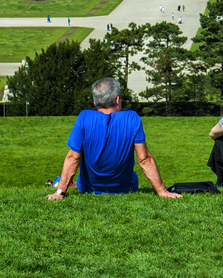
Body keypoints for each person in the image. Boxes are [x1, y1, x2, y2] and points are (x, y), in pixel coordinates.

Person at [47, 78, 181, 200]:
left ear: (95, 102)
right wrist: (162, 191)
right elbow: (144, 159)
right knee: (132, 176)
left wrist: (60, 193)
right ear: (117, 100)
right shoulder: (132, 118)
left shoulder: (84, 117)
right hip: (125, 188)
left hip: (89, 188)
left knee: (77, 179)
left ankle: (63, 183)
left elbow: (73, 158)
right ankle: (67, 183)